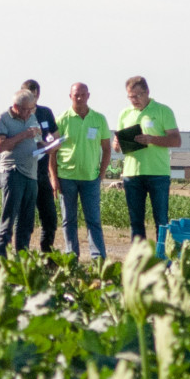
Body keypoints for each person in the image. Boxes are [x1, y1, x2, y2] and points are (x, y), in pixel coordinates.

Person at [116, 76, 181, 241]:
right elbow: (117, 145)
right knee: (135, 221)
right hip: (132, 174)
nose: (135, 100)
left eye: (138, 95)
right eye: (131, 96)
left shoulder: (162, 111)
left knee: (161, 219)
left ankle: (162, 257)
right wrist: (116, 143)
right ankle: (139, 259)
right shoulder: (124, 114)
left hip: (157, 173)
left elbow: (176, 140)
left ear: (147, 92)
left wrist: (151, 139)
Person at [52, 82, 111, 260]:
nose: (80, 98)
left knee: (93, 220)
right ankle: (71, 256)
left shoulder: (99, 119)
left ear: (88, 95)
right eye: (76, 94)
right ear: (70, 96)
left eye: (83, 94)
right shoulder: (62, 119)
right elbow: (52, 152)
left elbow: (107, 149)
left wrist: (101, 174)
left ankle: (98, 258)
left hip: (90, 178)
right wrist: (54, 178)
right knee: (69, 220)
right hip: (66, 177)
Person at [0, 88, 42, 258]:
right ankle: (3, 261)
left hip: (31, 174)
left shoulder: (32, 117)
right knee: (8, 220)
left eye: (31, 109)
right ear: (15, 106)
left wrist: (45, 146)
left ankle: (22, 259)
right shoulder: (3, 119)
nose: (29, 113)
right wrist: (22, 135)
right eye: (26, 109)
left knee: (26, 222)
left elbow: (36, 140)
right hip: (13, 172)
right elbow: (0, 147)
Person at [21, 80, 60, 252]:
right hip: (24, 172)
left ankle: (47, 253)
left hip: (42, 172)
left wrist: (50, 144)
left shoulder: (46, 113)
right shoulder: (17, 114)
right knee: (25, 219)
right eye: (29, 95)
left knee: (50, 217)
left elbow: (55, 136)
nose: (33, 99)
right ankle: (22, 255)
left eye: (35, 95)